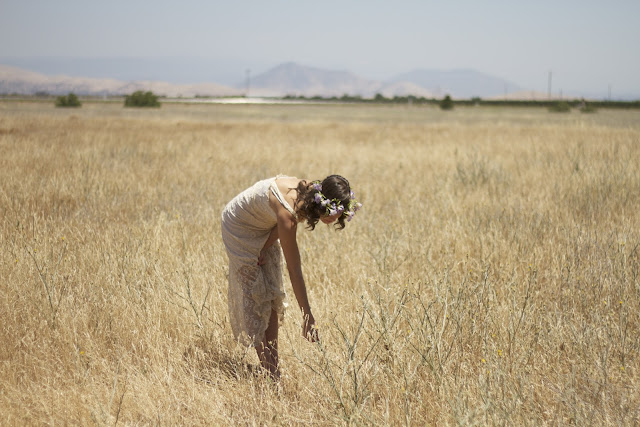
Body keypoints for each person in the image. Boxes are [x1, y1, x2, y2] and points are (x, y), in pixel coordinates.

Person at [221, 174, 362, 379]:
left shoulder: (308, 196)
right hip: (239, 226)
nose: (335, 219)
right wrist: (307, 316)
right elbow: (294, 269)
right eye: (334, 212)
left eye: (340, 214)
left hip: (264, 225)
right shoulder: (289, 211)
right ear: (323, 203)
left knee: (271, 291)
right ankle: (271, 373)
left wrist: (264, 246)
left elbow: (282, 220)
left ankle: (272, 367)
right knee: (257, 295)